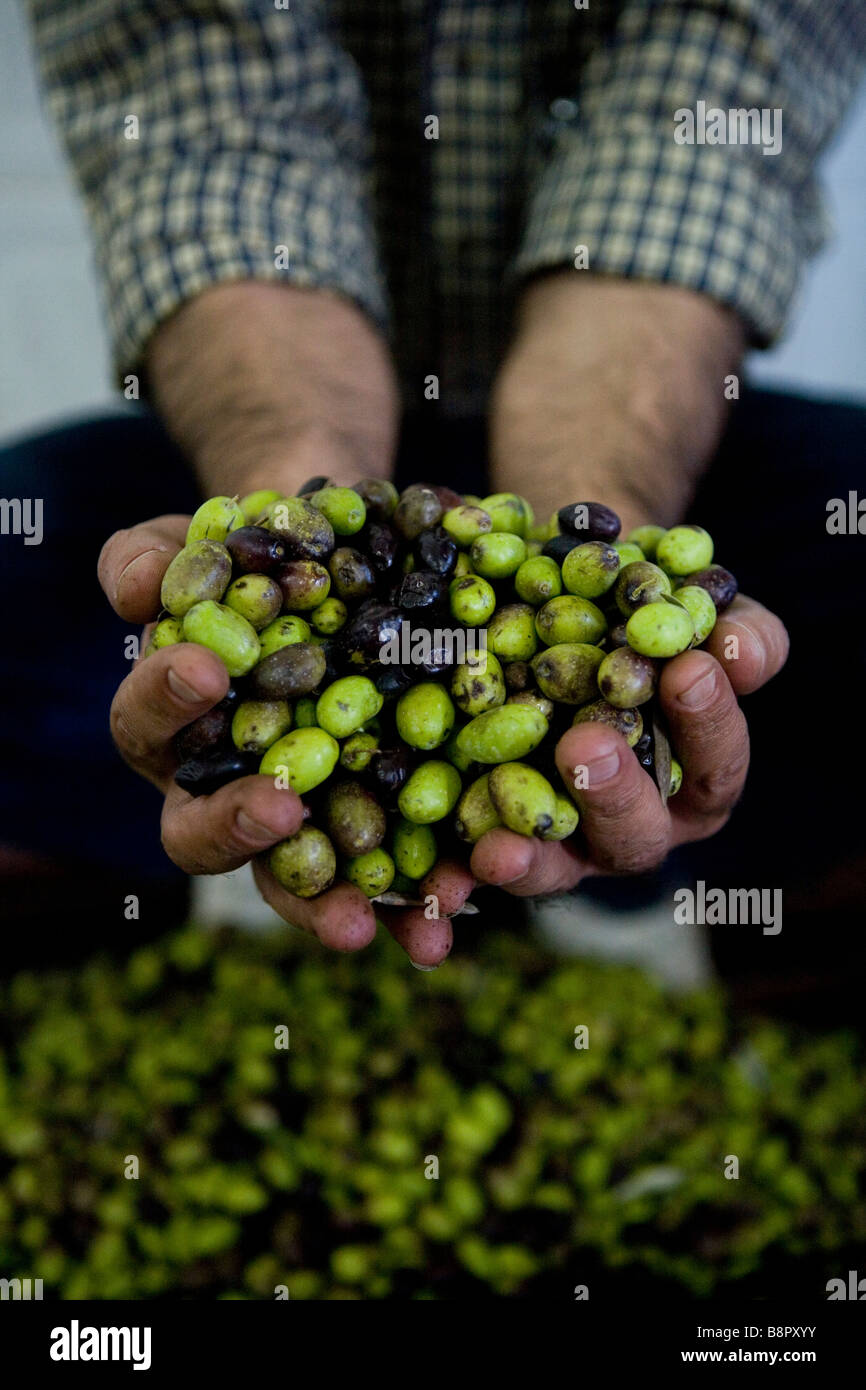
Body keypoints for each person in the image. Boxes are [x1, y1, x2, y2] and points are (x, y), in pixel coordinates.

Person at [4, 1, 863, 976]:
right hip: (294, 423)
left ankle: (717, 934)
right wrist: (293, 506)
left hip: (625, 416)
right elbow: (212, 141)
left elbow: (688, 142)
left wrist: (590, 509)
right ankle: (117, 948)